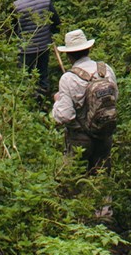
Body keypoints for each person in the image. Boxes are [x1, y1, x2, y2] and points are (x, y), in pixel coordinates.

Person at [50, 29, 118, 173]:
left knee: (76, 180)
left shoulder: (68, 78)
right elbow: (114, 98)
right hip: (105, 134)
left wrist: (57, 101)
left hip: (80, 139)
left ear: (68, 55)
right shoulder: (106, 70)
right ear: (88, 49)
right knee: (102, 178)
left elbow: (64, 116)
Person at [8, 0, 58, 107]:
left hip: (26, 49)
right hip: (44, 45)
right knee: (43, 75)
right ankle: (45, 103)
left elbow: (13, 30)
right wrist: (51, 34)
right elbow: (55, 20)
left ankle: (30, 105)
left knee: (25, 77)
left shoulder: (16, 6)